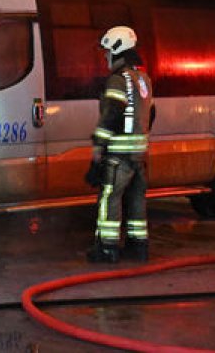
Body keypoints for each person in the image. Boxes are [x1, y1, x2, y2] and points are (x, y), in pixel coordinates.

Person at [86, 26, 155, 263]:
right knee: (136, 199)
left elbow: (112, 114)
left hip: (119, 155)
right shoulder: (142, 79)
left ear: (117, 49)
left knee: (109, 197)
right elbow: (150, 114)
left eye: (107, 51)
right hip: (139, 154)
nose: (105, 56)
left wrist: (98, 145)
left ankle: (108, 248)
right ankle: (138, 247)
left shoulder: (117, 80)